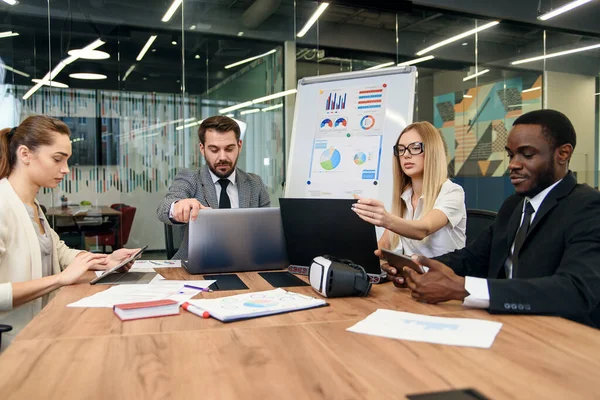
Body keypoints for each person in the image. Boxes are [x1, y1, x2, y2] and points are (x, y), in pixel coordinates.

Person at [386, 110, 600, 328]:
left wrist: (464, 289)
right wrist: (416, 268)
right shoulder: (514, 206)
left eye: (527, 154)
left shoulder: (588, 206)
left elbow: (576, 290)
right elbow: (473, 259)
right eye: (511, 155)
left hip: (561, 335)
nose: (513, 164)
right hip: (506, 326)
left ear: (563, 154)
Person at [0, 115, 140, 348]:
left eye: (67, 160)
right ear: (25, 154)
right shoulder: (3, 205)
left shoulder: (32, 206)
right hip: (13, 341)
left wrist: (107, 261)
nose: (65, 170)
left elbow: (59, 251)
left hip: (43, 329)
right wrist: (60, 279)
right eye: (57, 159)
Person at [157, 115, 271, 260]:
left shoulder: (255, 184)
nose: (222, 157)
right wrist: (178, 206)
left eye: (229, 149)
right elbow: (163, 209)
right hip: (197, 265)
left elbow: (267, 230)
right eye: (214, 150)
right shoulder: (190, 178)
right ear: (202, 149)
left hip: (245, 264)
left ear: (239, 146)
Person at [352, 121, 466, 259]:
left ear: (432, 151)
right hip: (413, 277)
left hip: (443, 278)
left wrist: (385, 219)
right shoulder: (405, 197)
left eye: (415, 148)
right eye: (401, 149)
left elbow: (424, 229)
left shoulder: (452, 192)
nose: (406, 155)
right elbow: (383, 246)